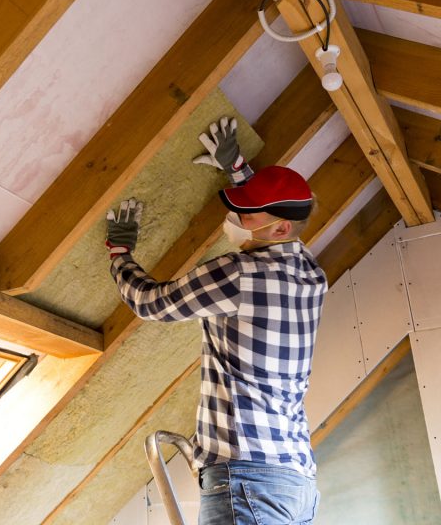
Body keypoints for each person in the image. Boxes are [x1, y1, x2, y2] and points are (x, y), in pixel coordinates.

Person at [105, 117, 327, 525]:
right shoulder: (312, 274)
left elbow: (152, 303)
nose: (237, 221)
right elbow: (283, 217)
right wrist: (239, 170)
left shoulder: (239, 273)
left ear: (278, 227)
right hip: (297, 482)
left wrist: (119, 253)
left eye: (246, 215)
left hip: (247, 477)